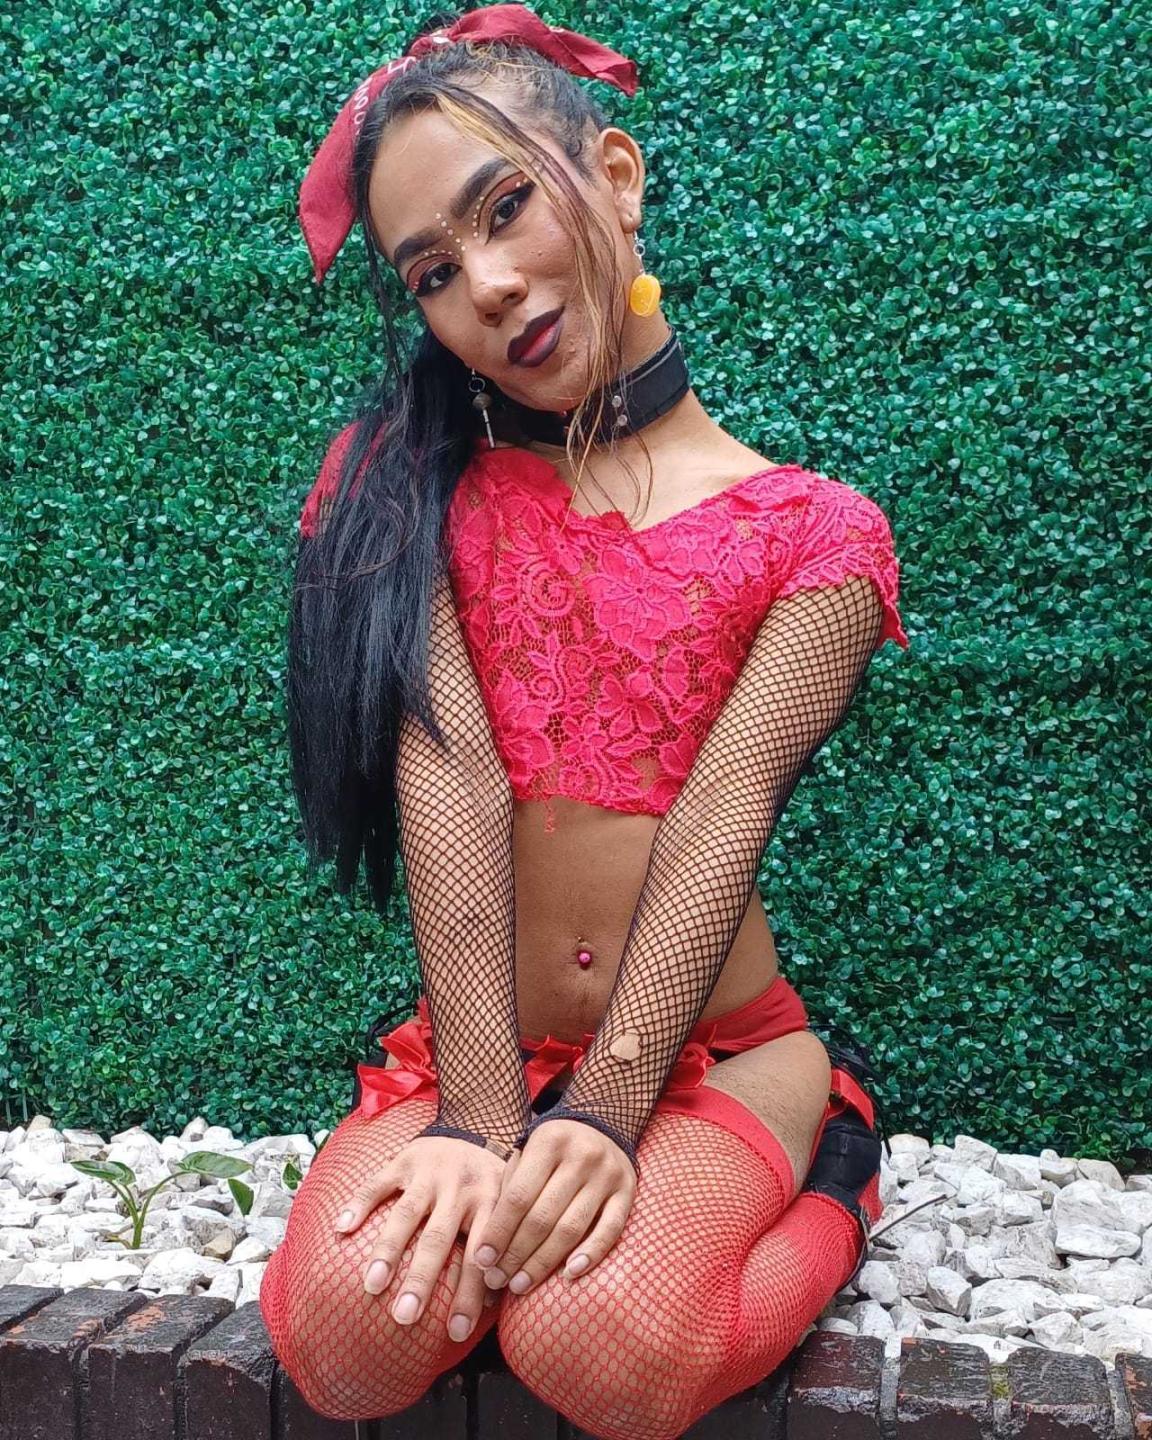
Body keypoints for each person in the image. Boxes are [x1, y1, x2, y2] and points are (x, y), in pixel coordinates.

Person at [259, 5, 911, 1437]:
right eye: (433, 272)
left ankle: (840, 1173)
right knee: (349, 1343)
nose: (488, 285)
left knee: (601, 1342)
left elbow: (723, 817)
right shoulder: (407, 491)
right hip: (484, 1051)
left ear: (613, 178)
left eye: (506, 208)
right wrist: (483, 1120)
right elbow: (450, 783)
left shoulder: (815, 535)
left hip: (708, 1054)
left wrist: (609, 1109)